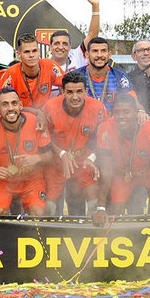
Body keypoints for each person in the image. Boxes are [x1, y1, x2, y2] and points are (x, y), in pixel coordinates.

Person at [0, 87, 52, 216]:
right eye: (5, 104)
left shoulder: (36, 123)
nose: (10, 108)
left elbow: (50, 156)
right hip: (4, 182)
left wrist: (37, 158)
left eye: (14, 103)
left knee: (38, 213)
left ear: (20, 105)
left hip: (31, 180)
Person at [94, 93, 150, 225]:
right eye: (117, 112)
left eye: (126, 112)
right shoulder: (105, 129)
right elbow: (106, 170)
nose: (121, 116)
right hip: (122, 174)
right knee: (115, 211)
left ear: (136, 112)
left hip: (148, 173)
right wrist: (100, 208)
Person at [42, 71, 108, 216]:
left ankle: (92, 236)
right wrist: (61, 153)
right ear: (62, 92)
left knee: (94, 204)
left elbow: (105, 138)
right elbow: (45, 135)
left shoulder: (97, 108)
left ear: (86, 91)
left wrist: (92, 158)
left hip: (84, 162)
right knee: (48, 209)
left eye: (79, 91)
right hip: (57, 164)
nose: (75, 97)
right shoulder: (51, 107)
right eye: (70, 92)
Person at [0, 33, 64, 109]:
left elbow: (68, 84)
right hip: (20, 116)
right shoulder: (10, 73)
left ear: (39, 52)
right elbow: (0, 102)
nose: (31, 55)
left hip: (45, 115)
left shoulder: (50, 66)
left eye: (34, 51)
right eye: (27, 52)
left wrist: (56, 103)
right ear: (19, 54)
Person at [72, 37, 134, 114]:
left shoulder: (120, 77)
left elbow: (132, 101)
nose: (99, 55)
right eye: (95, 51)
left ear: (109, 54)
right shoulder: (75, 77)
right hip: (82, 122)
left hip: (112, 124)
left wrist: (141, 111)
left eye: (103, 51)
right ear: (87, 54)